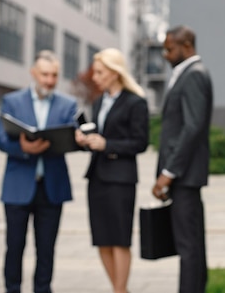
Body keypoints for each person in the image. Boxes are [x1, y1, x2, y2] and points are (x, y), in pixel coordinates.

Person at [0, 50, 78, 293]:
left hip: (51, 187)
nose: (49, 81)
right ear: (33, 74)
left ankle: (43, 289)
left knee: (46, 248)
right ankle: (13, 289)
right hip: (18, 186)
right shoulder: (12, 101)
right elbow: (1, 140)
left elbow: (73, 138)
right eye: (44, 75)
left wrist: (78, 138)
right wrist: (21, 147)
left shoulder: (68, 104)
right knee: (14, 245)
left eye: (54, 75)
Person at [75, 48, 149, 293]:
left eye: (99, 72)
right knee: (102, 239)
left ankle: (119, 290)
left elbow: (140, 143)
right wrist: (85, 141)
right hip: (97, 177)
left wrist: (107, 144)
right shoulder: (98, 103)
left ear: (114, 72)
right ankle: (120, 290)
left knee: (119, 239)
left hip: (121, 179)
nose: (95, 77)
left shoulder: (135, 101)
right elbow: (98, 138)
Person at [151, 25, 213, 293]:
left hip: (185, 175)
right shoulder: (184, 74)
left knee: (189, 248)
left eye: (169, 48)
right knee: (191, 245)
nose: (165, 54)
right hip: (183, 175)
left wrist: (169, 172)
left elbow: (193, 127)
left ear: (186, 45)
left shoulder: (194, 75)